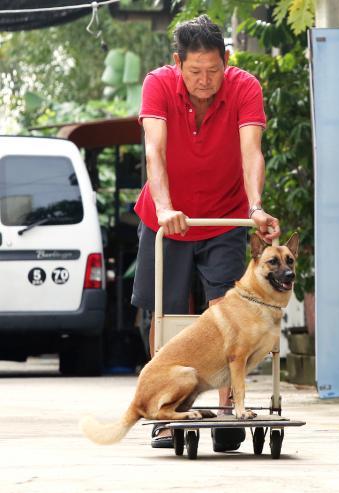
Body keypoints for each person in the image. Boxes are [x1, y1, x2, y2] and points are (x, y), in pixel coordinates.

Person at [131, 14, 280, 451]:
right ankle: (163, 409)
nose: (204, 80)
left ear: (226, 61)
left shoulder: (244, 87)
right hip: (168, 218)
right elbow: (154, 150)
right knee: (166, 311)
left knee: (232, 314)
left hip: (226, 217)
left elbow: (251, 150)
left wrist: (255, 207)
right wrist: (164, 207)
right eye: (194, 71)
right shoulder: (158, 84)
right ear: (177, 63)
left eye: (213, 70)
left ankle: (232, 408)